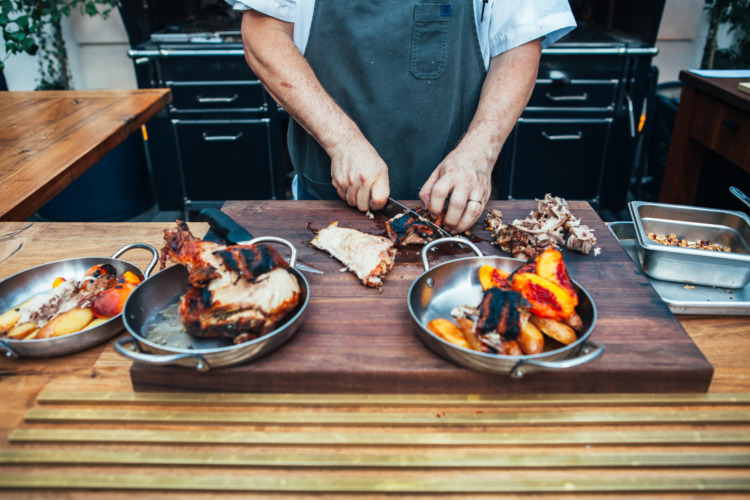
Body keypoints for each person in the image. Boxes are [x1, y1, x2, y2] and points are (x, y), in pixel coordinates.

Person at [226, 0, 575, 233]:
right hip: (325, 203)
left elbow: (518, 44)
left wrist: (478, 155)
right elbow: (262, 31)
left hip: (455, 205)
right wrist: (342, 140)